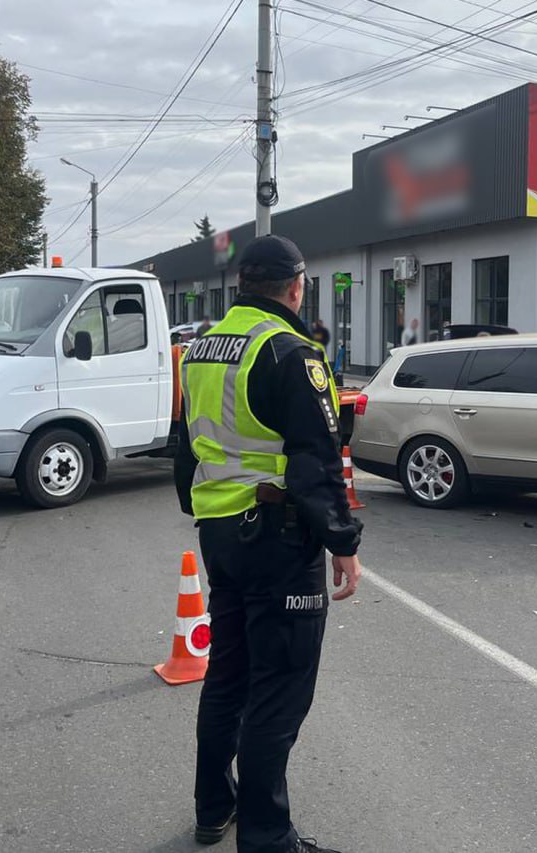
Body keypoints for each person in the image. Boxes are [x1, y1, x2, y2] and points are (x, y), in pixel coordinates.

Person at [174, 234, 363, 853]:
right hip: (278, 540)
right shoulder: (289, 352)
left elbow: (189, 443)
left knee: (227, 674)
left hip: (220, 535)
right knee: (277, 691)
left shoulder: (204, 348)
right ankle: (268, 837)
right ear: (295, 286)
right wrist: (342, 540)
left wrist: (200, 511)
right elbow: (316, 460)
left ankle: (214, 807)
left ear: (243, 284)